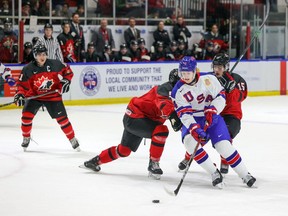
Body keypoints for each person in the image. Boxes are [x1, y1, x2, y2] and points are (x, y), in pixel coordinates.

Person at [171, 56, 256, 188]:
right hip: (194, 119)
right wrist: (194, 128)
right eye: (183, 73)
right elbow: (184, 114)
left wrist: (213, 109)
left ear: (194, 71)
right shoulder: (178, 91)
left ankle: (245, 174)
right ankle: (214, 173)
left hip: (213, 117)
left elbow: (220, 97)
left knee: (223, 145)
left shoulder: (208, 79)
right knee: (189, 143)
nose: (185, 76)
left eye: (188, 73)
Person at [82, 69, 182, 180]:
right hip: (136, 117)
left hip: (140, 117)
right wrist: (173, 116)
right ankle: (153, 163)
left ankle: (95, 161)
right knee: (161, 130)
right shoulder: (166, 89)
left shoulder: (180, 94)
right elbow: (165, 105)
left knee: (123, 151)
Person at [13, 43, 80, 152]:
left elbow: (67, 71)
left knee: (63, 120)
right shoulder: (28, 68)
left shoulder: (55, 64)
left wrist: (66, 81)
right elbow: (21, 85)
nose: (42, 57)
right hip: (34, 96)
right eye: (39, 54)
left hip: (53, 95)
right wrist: (20, 94)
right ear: (35, 55)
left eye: (44, 54)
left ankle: (72, 138)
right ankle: (26, 137)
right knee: (26, 117)